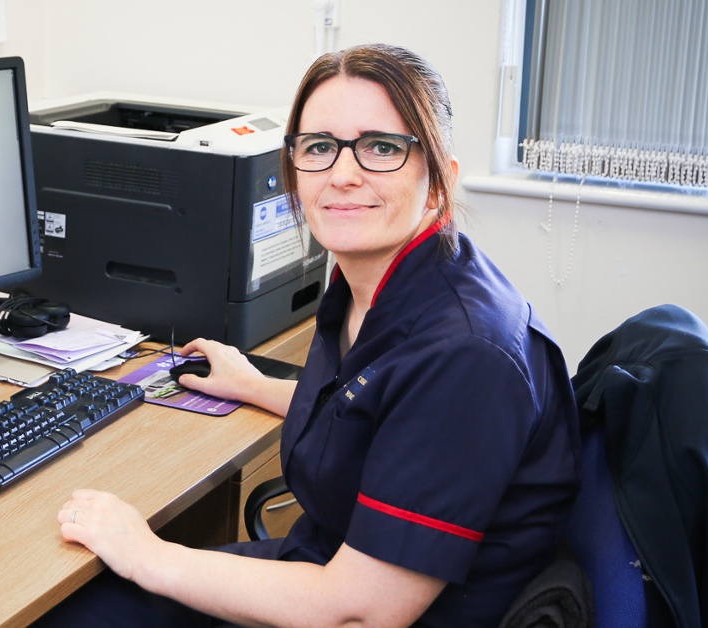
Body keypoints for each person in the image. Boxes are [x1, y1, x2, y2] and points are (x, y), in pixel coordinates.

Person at [42, 43, 581, 626]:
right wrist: (255, 385)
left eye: (382, 147)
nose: (344, 174)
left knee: (77, 605)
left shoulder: (465, 355)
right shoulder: (380, 281)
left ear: (441, 177)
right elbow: (375, 410)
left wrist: (149, 554)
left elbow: (361, 612)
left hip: (366, 604)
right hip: (327, 569)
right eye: (320, 148)